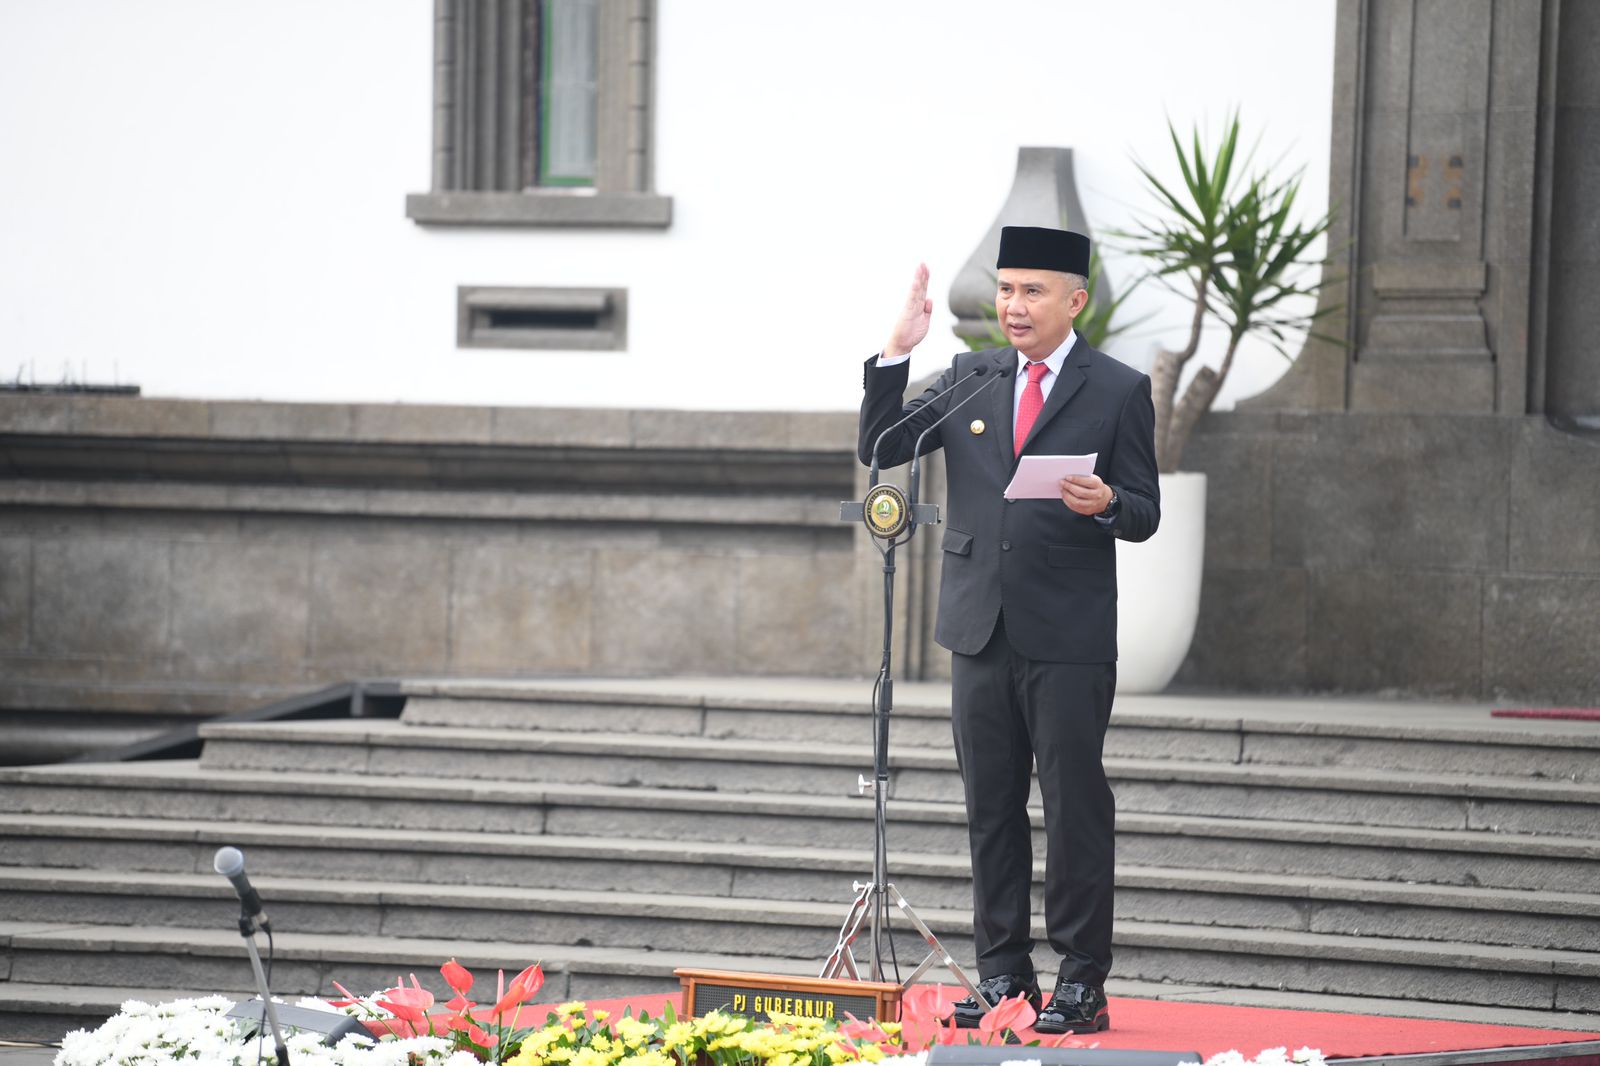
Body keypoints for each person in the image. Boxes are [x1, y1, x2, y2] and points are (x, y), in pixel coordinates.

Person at [856, 226, 1160, 1035]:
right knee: (991, 809)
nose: (1014, 306)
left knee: (1073, 807)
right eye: (1006, 289)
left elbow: (1146, 510)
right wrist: (896, 350)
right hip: (980, 629)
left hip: (1067, 636)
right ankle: (1003, 978)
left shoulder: (1118, 388)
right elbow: (881, 447)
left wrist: (1109, 506)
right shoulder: (970, 375)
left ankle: (1082, 982)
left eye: (1032, 291)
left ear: (1075, 300)